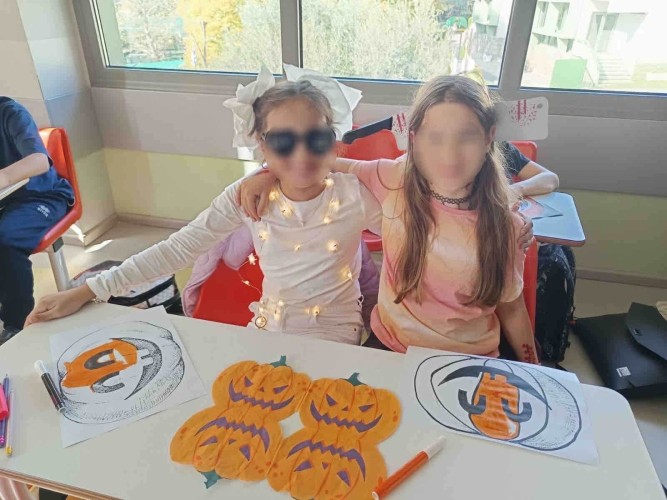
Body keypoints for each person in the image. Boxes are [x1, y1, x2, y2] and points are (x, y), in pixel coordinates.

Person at [26, 80, 383, 346]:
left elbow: (411, 231)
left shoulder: (353, 195)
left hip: (337, 334)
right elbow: (178, 249)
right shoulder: (247, 197)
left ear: (332, 139)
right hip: (269, 326)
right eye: (284, 142)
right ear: (262, 145)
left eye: (316, 138)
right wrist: (88, 290)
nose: (302, 154)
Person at [239, 75, 539, 363]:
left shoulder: (507, 227)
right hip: (391, 348)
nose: (450, 154)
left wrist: (535, 370)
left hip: (468, 359)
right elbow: (316, 162)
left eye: (467, 136)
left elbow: (512, 309)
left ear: (489, 138)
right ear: (414, 140)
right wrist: (267, 173)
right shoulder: (394, 178)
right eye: (435, 137)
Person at [0, 97, 74, 344]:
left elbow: (39, 160)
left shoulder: (10, 113)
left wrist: (4, 177)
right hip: (5, 201)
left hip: (41, 196)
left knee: (5, 240)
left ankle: (17, 325)